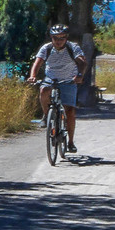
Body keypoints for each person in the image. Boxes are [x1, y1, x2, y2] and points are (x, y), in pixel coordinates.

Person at [30, 24, 87, 153]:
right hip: (51, 78)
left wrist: (79, 75)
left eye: (62, 38)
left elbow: (82, 62)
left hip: (68, 80)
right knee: (44, 90)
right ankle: (47, 116)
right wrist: (33, 76)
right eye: (56, 38)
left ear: (66, 38)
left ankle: (70, 142)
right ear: (51, 37)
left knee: (70, 111)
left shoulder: (73, 47)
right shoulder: (47, 48)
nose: (59, 41)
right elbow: (37, 63)